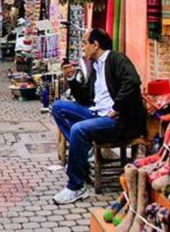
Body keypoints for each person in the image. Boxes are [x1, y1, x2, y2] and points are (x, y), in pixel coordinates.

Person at [50, 28, 146, 204]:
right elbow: (85, 98)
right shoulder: (96, 67)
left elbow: (132, 81)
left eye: (85, 43)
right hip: (97, 114)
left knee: (78, 130)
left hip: (118, 121)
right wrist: (72, 78)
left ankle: (76, 186)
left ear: (96, 45)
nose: (82, 47)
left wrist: (117, 107)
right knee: (58, 107)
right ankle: (82, 154)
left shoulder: (116, 59)